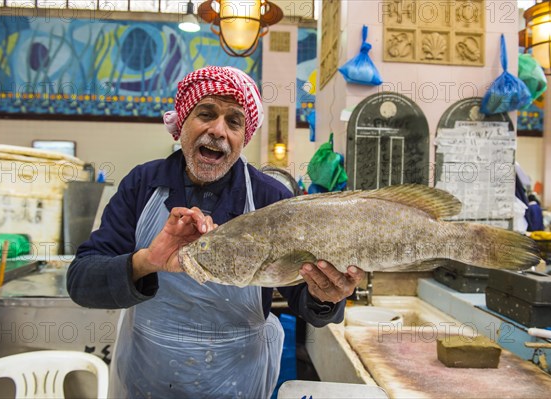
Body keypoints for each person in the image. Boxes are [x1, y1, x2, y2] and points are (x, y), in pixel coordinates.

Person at [67, 66, 365, 398]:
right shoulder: (142, 185)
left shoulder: (272, 200)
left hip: (239, 384)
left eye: (234, 121)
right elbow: (81, 282)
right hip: (146, 382)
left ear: (243, 137)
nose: (218, 130)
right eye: (205, 113)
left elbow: (307, 300)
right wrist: (146, 262)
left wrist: (327, 295)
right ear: (182, 122)